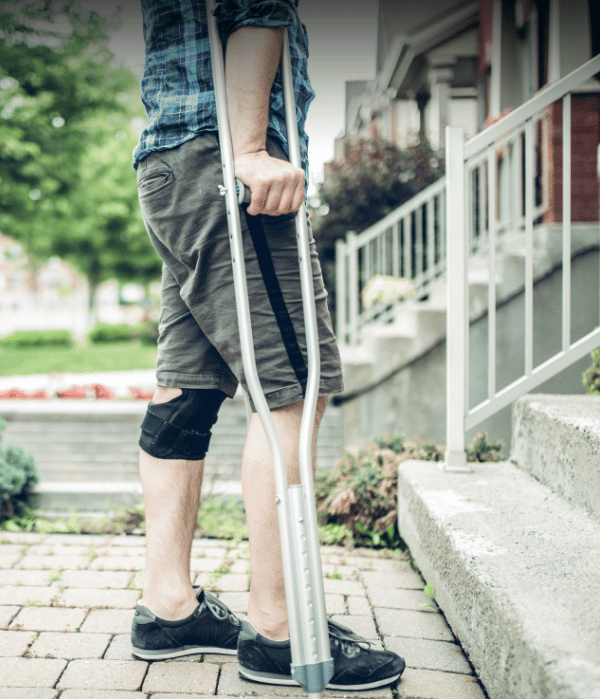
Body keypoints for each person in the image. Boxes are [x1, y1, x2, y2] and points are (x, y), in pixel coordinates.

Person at [128, 0, 406, 690]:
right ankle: (282, 629)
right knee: (293, 386)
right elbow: (257, 7)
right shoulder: (239, 153)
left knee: (185, 390)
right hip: (228, 166)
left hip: (171, 163)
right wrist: (250, 149)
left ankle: (169, 608)